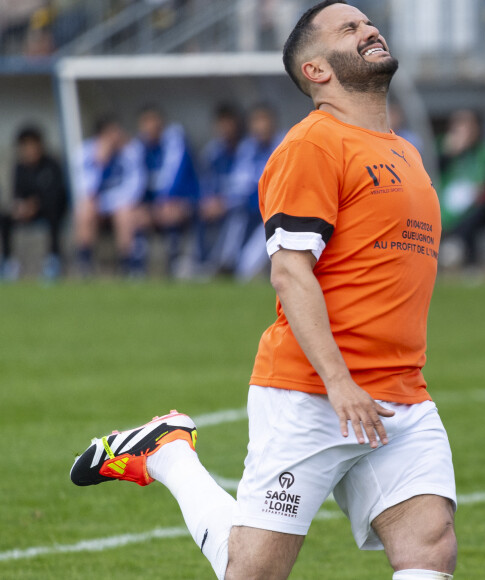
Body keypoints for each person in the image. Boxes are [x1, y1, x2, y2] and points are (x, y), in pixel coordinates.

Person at [71, 3, 457, 580]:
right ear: (316, 71)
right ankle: (168, 453)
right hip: (312, 393)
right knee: (252, 573)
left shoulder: (405, 151)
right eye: (348, 29)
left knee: (430, 550)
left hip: (401, 395)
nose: (369, 29)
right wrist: (337, 381)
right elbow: (290, 273)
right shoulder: (314, 145)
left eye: (367, 22)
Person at [213, 103, 285, 280]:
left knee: (248, 263)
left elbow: (280, 184)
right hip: (251, 209)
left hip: (278, 211)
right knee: (235, 217)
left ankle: (241, 272)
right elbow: (240, 184)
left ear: (272, 122)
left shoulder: (285, 142)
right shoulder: (248, 147)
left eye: (263, 120)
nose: (259, 126)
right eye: (255, 121)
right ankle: (223, 264)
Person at [74, 115, 146, 277]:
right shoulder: (85, 152)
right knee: (85, 208)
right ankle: (84, 263)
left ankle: (128, 265)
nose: (116, 136)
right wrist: (100, 163)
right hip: (97, 205)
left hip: (121, 203)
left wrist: (116, 202)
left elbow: (135, 185)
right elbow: (85, 189)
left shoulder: (130, 151)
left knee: (125, 212)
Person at [133, 105, 199, 277]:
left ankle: (174, 262)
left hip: (184, 201)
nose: (150, 127)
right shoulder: (140, 149)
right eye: (146, 122)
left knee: (170, 210)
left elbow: (175, 179)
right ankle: (136, 267)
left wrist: (162, 202)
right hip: (155, 205)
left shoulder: (175, 143)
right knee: (136, 215)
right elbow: (136, 182)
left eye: (153, 121)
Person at [0, 125, 68, 281]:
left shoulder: (51, 164)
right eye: (25, 146)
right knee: (5, 217)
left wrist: (35, 205)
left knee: (53, 214)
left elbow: (57, 194)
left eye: (32, 145)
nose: (29, 150)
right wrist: (20, 207)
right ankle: (8, 262)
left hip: (50, 209)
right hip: (28, 211)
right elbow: (18, 193)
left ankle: (53, 260)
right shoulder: (20, 167)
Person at [437, 109, 485, 270]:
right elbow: (434, 175)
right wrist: (449, 154)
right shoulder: (442, 149)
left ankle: (459, 248)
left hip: (479, 204)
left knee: (475, 209)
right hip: (447, 201)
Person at [196, 104, 244, 272]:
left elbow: (247, 186)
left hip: (239, 207)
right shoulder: (212, 152)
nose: (224, 128)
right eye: (221, 124)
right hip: (216, 205)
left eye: (228, 123)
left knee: (238, 216)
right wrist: (208, 201)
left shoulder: (246, 149)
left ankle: (226, 265)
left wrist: (225, 203)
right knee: (199, 211)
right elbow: (205, 182)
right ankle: (202, 263)